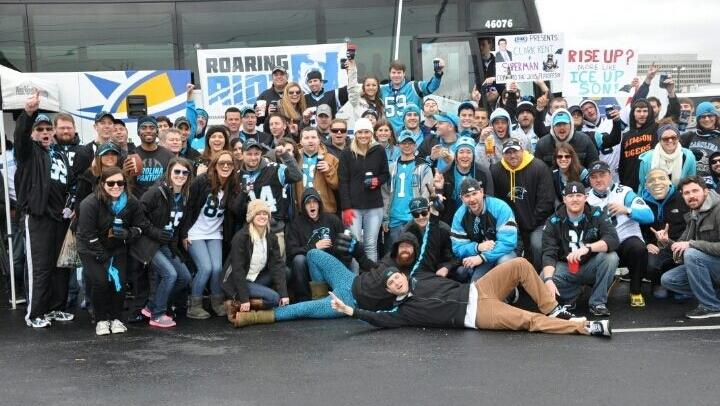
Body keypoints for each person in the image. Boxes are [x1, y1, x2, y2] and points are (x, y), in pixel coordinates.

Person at [329, 258, 611, 337]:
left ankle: (554, 309)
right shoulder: (403, 313)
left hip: (478, 290)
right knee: (528, 320)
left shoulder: (420, 278)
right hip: (476, 315)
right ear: (391, 291)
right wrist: (352, 312)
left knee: (520, 265)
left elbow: (425, 245)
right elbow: (378, 320)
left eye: (397, 276)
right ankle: (584, 328)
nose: (397, 281)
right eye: (392, 283)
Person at [226, 229, 424, 327]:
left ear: (415, 253)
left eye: (410, 248)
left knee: (301, 309)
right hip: (349, 280)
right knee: (314, 255)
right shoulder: (389, 260)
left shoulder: (410, 277)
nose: (405, 250)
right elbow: (371, 269)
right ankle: (319, 296)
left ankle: (250, 317)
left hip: (348, 301)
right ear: (397, 248)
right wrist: (358, 252)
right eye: (402, 246)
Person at [14, 91, 75, 328]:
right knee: (40, 267)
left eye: (48, 129)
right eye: (39, 130)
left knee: (61, 266)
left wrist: (70, 205)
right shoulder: (28, 153)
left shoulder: (58, 154)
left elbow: (69, 183)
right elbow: (20, 136)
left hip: (59, 218)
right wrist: (29, 113)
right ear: (33, 133)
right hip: (38, 217)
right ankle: (35, 313)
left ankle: (55, 308)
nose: (45, 133)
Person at [76, 167, 149, 335]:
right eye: (111, 183)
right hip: (90, 248)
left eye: (120, 183)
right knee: (101, 282)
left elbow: (141, 226)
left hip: (117, 246)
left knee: (119, 282)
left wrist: (128, 233)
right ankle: (101, 319)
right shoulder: (90, 203)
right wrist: (101, 254)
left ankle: (116, 318)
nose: (116, 186)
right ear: (102, 184)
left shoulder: (131, 202)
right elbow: (87, 233)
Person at [541, 181, 620, 317]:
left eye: (578, 195)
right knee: (544, 277)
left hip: (590, 264)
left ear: (586, 197)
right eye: (571, 196)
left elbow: (613, 239)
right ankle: (573, 294)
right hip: (567, 267)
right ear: (564, 199)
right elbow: (549, 253)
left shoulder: (597, 214)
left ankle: (597, 302)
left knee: (611, 257)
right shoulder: (553, 221)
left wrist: (588, 248)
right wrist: (548, 280)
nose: (575, 199)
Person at [133, 158, 193, 328]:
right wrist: (155, 232)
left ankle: (152, 305)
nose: (181, 175)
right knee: (170, 275)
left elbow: (179, 223)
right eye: (177, 171)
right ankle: (157, 314)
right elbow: (138, 215)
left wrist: (182, 236)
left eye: (185, 172)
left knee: (184, 277)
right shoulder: (156, 192)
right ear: (169, 173)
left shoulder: (185, 196)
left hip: (166, 244)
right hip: (149, 242)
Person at [586, 161, 655, 307]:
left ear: (610, 175)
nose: (598, 180)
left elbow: (649, 216)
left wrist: (627, 210)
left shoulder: (625, 192)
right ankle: (594, 290)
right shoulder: (586, 198)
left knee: (638, 247)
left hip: (625, 240)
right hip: (604, 243)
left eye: (602, 175)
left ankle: (635, 290)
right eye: (594, 177)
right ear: (589, 180)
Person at [182, 151, 241, 319]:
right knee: (205, 268)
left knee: (217, 269)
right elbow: (188, 207)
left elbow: (236, 210)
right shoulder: (201, 182)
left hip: (215, 233)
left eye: (229, 163)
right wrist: (183, 233)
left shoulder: (232, 185)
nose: (225, 166)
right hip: (195, 231)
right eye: (221, 163)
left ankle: (217, 303)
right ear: (214, 165)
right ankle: (194, 305)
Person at [661, 176, 720, 319]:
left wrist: (692, 244)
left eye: (695, 191)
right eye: (687, 193)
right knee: (669, 279)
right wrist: (666, 241)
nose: (691, 196)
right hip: (712, 266)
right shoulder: (694, 213)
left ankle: (711, 306)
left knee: (692, 254)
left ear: (705, 191)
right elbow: (682, 245)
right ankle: (714, 295)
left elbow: (690, 246)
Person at [490, 139, 555, 270]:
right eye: (508, 152)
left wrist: (529, 224)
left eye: (515, 151)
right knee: (506, 254)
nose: (512, 155)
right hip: (509, 226)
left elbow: (546, 201)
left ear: (522, 150)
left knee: (537, 244)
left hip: (537, 223)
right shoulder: (496, 170)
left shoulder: (539, 167)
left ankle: (537, 274)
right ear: (503, 154)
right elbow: (495, 202)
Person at [238, 138, 302, 259]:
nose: (253, 158)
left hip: (275, 229)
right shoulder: (238, 175)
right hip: (251, 231)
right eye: (249, 154)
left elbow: (297, 176)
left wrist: (285, 155)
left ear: (261, 154)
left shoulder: (275, 168)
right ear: (242, 155)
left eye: (256, 154)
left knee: (276, 268)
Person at [222, 199, 289, 311]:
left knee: (286, 272)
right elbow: (238, 270)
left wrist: (284, 294)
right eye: (258, 213)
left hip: (256, 277)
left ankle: (261, 294)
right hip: (238, 281)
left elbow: (277, 264)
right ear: (251, 217)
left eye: (265, 214)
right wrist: (244, 299)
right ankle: (237, 302)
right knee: (274, 298)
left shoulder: (271, 237)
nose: (262, 217)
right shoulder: (241, 237)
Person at [338, 118, 390, 262]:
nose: (363, 136)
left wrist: (377, 181)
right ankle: (354, 280)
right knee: (354, 246)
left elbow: (385, 174)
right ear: (355, 134)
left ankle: (371, 280)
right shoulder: (347, 153)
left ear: (371, 133)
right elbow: (343, 182)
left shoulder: (379, 150)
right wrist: (346, 207)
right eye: (360, 132)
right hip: (353, 207)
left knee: (371, 245)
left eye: (366, 132)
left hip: (374, 206)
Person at [450, 178, 517, 283]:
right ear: (461, 198)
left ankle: (511, 292)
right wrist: (477, 247)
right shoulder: (459, 216)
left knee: (505, 262)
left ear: (482, 192)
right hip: (478, 256)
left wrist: (482, 257)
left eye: (474, 193)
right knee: (475, 284)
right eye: (467, 196)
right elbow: (457, 248)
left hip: (504, 253)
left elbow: (508, 243)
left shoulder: (500, 207)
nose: (472, 199)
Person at [285, 188, 344, 302]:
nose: (312, 205)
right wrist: (314, 247)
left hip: (330, 263)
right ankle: (304, 300)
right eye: (308, 202)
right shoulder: (296, 224)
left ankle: (343, 293)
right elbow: (291, 251)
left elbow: (343, 242)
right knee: (298, 260)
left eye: (314, 201)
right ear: (303, 206)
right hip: (307, 267)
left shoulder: (332, 219)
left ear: (319, 204)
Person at [640, 169, 690, 299]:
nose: (657, 183)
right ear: (646, 185)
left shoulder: (683, 198)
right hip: (656, 246)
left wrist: (684, 242)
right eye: (651, 180)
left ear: (669, 182)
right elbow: (635, 228)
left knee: (689, 255)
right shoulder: (640, 203)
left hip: (680, 242)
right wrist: (646, 244)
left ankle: (681, 284)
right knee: (649, 262)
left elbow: (692, 224)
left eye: (661, 178)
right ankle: (657, 282)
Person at [381, 130, 433, 249]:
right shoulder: (391, 168)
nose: (407, 146)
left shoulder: (423, 167)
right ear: (398, 145)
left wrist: (421, 215)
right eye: (404, 143)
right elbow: (385, 194)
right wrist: (385, 218)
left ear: (415, 145)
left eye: (410, 143)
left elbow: (426, 194)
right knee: (394, 253)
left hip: (415, 218)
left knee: (416, 251)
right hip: (395, 218)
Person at [433, 137, 494, 226]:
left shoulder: (484, 173)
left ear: (473, 155)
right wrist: (439, 189)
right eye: (461, 152)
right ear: (456, 155)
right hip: (451, 221)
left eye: (469, 152)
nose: (465, 156)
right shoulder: (445, 173)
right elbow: (438, 205)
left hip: (478, 221)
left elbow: (490, 200)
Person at [380, 59, 444, 132]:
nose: (396, 75)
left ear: (404, 74)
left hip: (411, 136)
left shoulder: (414, 87)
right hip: (389, 136)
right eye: (393, 73)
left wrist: (438, 72)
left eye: (399, 73)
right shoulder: (382, 89)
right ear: (389, 74)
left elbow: (431, 86)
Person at [403, 197, 459, 278]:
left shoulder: (444, 229)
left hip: (442, 267)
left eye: (424, 213)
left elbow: (458, 254)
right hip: (420, 268)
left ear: (429, 210)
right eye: (415, 214)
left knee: (462, 272)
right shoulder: (408, 230)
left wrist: (447, 267)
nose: (420, 217)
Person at [124, 115, 174, 198]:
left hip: (160, 205)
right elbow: (127, 185)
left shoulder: (169, 155)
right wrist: (125, 174)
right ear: (138, 132)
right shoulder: (131, 156)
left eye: (152, 128)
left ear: (157, 131)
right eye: (144, 128)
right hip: (138, 205)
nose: (148, 131)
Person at [637, 123, 696, 194]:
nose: (670, 140)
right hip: (653, 198)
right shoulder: (647, 159)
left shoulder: (688, 157)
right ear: (660, 140)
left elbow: (691, 182)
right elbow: (643, 185)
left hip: (679, 198)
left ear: (678, 138)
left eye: (674, 137)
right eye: (665, 139)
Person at [534, 109, 599, 170]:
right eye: (558, 124)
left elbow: (594, 165)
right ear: (552, 127)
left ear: (571, 125)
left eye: (565, 124)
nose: (562, 127)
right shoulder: (542, 144)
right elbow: (538, 171)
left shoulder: (584, 140)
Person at [294, 127, 339, 214]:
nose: (310, 141)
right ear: (301, 142)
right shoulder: (294, 159)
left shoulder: (331, 159)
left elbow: (337, 186)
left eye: (313, 137)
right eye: (306, 138)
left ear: (319, 140)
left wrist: (329, 171)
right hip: (301, 210)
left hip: (325, 210)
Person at [680, 102, 720, 184]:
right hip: (691, 184)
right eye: (703, 116)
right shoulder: (688, 136)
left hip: (714, 188)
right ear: (698, 119)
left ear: (716, 117)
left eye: (710, 115)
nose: (707, 119)